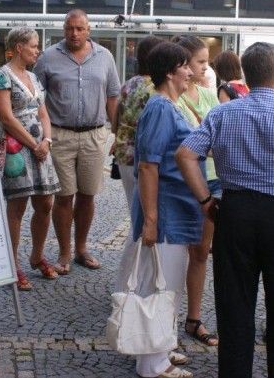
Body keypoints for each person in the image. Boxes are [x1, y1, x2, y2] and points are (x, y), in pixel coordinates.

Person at [176, 42, 274, 378]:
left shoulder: (222, 113)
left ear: (247, 75)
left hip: (236, 213)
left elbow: (185, 155)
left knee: (234, 308)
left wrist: (205, 200)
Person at [115, 41, 199, 378]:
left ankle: (159, 349)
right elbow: (148, 165)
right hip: (164, 212)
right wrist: (151, 219)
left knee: (167, 282)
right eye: (185, 66)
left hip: (172, 209)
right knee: (158, 284)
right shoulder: (161, 108)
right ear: (170, 72)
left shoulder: (169, 105)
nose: (190, 72)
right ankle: (153, 364)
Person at [34, 9, 120, 274]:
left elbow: (113, 96)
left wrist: (118, 134)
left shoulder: (105, 56)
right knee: (64, 196)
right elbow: (35, 98)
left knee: (87, 195)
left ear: (88, 30)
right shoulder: (48, 57)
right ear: (64, 29)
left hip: (95, 135)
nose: (74, 33)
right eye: (70, 28)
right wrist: (42, 133)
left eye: (80, 28)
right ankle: (64, 252)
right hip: (60, 135)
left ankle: (82, 248)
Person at [0, 27, 61, 291]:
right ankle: (12, 265)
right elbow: (6, 118)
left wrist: (47, 141)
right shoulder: (1, 76)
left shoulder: (33, 77)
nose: (37, 50)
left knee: (46, 204)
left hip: (40, 148)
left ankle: (37, 256)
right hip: (16, 148)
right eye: (33, 45)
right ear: (19, 47)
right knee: (16, 207)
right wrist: (34, 144)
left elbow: (43, 114)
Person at [173, 34, 220, 347]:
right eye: (201, 61)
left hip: (211, 180)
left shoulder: (207, 95)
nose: (206, 67)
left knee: (201, 251)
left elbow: (219, 137)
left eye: (207, 61)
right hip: (181, 181)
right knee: (175, 253)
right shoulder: (170, 98)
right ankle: (166, 321)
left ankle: (193, 318)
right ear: (184, 63)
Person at [113, 36, 164, 208]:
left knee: (133, 205)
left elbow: (116, 118)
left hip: (124, 152)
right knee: (149, 208)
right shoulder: (157, 87)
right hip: (146, 156)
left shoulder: (128, 84)